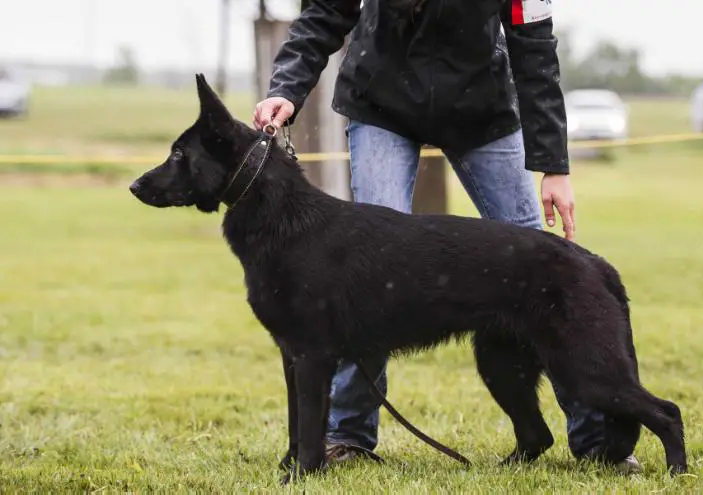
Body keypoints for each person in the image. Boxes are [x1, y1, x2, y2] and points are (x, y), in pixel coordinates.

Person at [253, 0, 640, 473]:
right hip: (381, 102)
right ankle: (348, 433)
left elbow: (534, 46)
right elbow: (324, 13)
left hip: (482, 109)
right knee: (366, 267)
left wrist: (554, 165)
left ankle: (598, 438)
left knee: (537, 268)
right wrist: (286, 88)